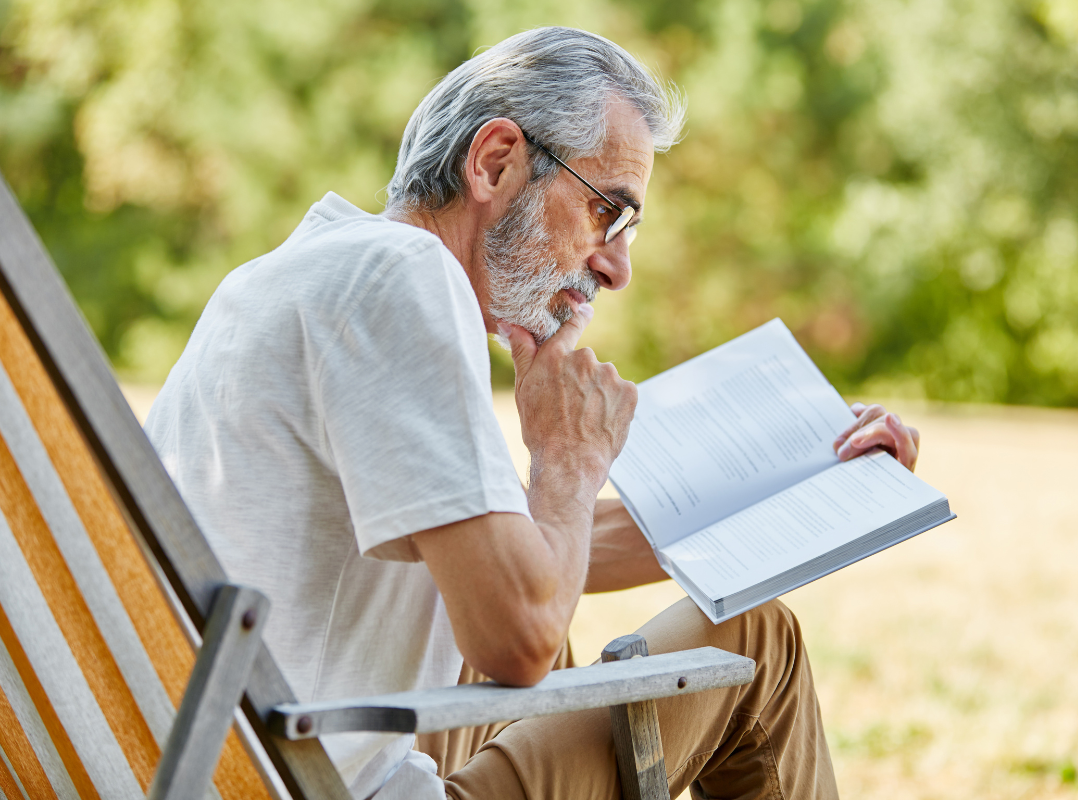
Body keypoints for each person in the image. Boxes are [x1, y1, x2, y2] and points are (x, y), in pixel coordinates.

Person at [145, 26, 920, 800]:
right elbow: (516, 638)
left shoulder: (311, 270)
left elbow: (516, 550)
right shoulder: (404, 279)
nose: (617, 268)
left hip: (224, 756)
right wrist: (570, 457)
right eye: (607, 212)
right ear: (495, 163)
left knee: (553, 600)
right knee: (756, 641)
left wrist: (805, 480)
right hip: (304, 779)